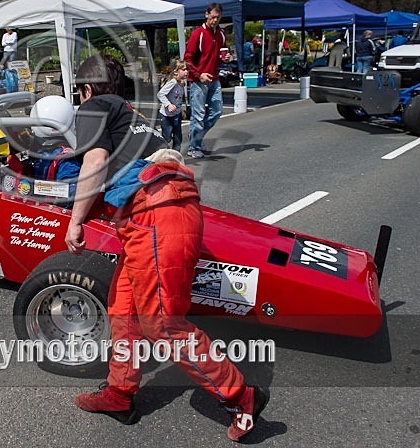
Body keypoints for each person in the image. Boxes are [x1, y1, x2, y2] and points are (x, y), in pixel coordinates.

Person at [65, 54, 268, 442]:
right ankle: (120, 394)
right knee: (123, 310)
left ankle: (240, 395)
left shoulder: (92, 106)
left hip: (156, 218)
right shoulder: (129, 113)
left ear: (86, 89)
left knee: (162, 325)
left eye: (80, 92)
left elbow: (94, 162)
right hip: (160, 215)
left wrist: (74, 222)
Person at [184, 3, 231, 159]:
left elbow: (220, 53)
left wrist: (225, 58)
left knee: (217, 111)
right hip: (199, 80)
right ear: (206, 15)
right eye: (212, 17)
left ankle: (197, 139)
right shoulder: (198, 34)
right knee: (197, 115)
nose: (215, 20)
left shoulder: (221, 34)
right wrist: (199, 75)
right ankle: (193, 146)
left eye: (218, 17)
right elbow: (187, 60)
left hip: (214, 78)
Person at [156, 59, 187, 151]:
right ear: (176, 72)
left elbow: (178, 99)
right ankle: (162, 154)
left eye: (187, 69)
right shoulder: (172, 83)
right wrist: (168, 105)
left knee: (178, 137)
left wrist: (181, 110)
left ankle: (175, 157)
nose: (186, 72)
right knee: (167, 137)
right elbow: (160, 94)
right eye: (183, 69)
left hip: (176, 115)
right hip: (167, 116)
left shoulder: (182, 83)